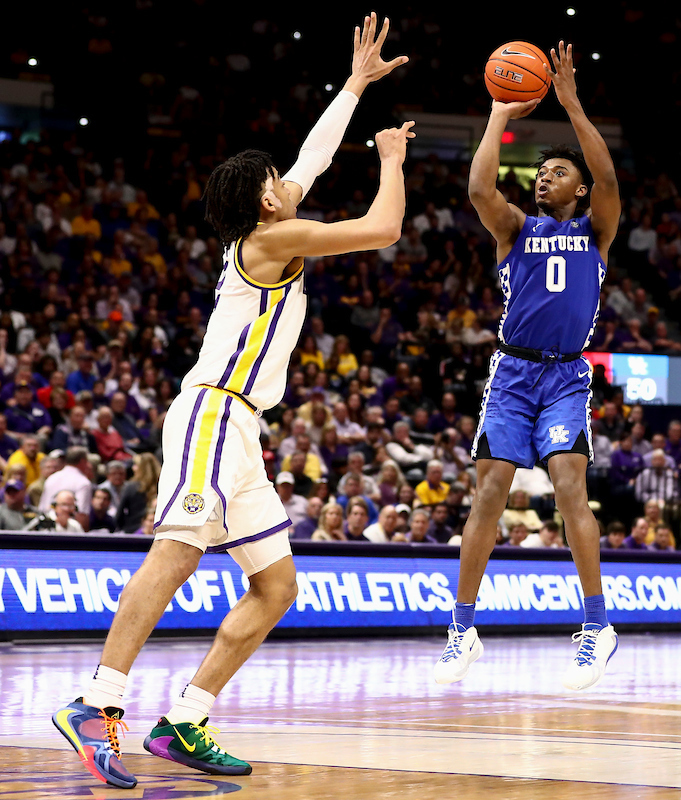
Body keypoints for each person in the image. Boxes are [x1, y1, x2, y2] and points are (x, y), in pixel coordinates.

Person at [53, 17, 413, 788]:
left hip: (241, 427)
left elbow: (314, 156)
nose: (287, 182)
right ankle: (96, 702)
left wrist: (355, 84)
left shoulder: (267, 229)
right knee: (177, 552)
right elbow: (384, 228)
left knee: (277, 586)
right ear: (263, 201)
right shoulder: (269, 241)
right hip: (213, 413)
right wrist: (390, 159)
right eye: (274, 181)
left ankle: (184, 720)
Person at [440, 42, 621, 692]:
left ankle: (596, 626)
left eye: (558, 171)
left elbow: (609, 180)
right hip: (512, 375)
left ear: (579, 188)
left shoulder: (596, 230)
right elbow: (478, 189)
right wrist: (498, 111)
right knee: (489, 494)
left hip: (566, 376)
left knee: (570, 487)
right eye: (541, 171)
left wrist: (570, 104)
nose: (545, 177)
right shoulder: (516, 229)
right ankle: (463, 628)